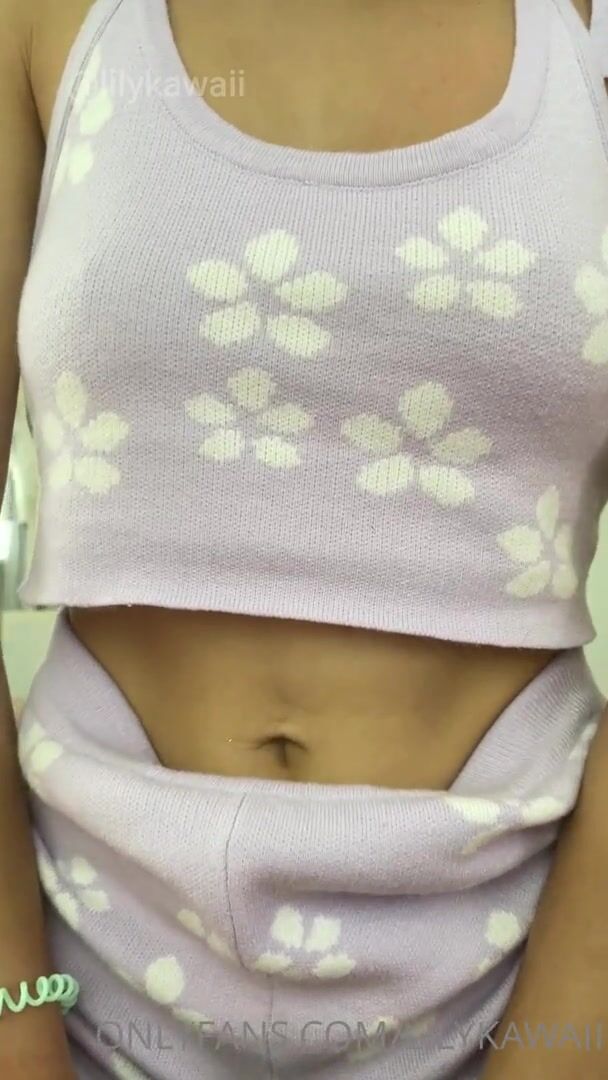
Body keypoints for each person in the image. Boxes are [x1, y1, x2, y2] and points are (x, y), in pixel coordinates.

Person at [1, 1, 607, 1076]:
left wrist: (562, 1040)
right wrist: (17, 1026)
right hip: (74, 966)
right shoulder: (46, 20)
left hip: (518, 980)